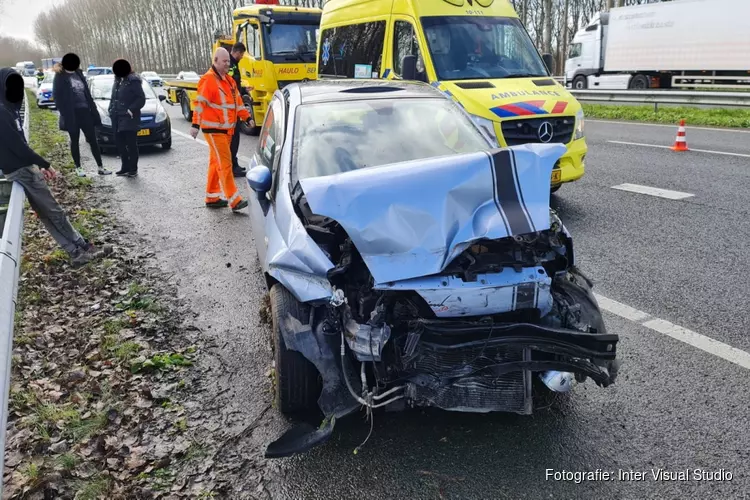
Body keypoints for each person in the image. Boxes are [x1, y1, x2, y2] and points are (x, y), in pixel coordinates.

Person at [0, 67, 110, 267]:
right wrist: (44, 164)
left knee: (46, 214)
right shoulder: (2, 112)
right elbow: (17, 146)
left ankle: (77, 251)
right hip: (22, 170)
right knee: (54, 211)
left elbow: (20, 144)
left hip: (21, 168)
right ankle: (81, 246)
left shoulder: (9, 109)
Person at [190, 47, 251, 212]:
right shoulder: (208, 80)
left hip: (227, 131)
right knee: (225, 164)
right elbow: (200, 104)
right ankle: (234, 200)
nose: (227, 64)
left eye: (228, 61)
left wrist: (248, 118)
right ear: (215, 61)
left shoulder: (229, 81)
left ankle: (212, 197)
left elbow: (238, 103)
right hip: (213, 130)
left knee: (215, 163)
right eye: (224, 61)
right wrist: (195, 125)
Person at [53, 53, 110, 177]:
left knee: (93, 140)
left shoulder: (78, 73)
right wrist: (65, 113)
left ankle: (100, 167)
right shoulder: (60, 76)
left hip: (85, 112)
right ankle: (78, 168)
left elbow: (87, 93)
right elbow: (57, 97)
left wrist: (93, 111)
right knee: (75, 141)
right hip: (72, 114)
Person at [109, 59, 146, 177]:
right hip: (116, 116)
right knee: (119, 143)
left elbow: (141, 98)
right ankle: (124, 166)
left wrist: (131, 109)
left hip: (129, 116)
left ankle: (133, 168)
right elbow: (114, 97)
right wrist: (110, 109)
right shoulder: (118, 80)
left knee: (131, 144)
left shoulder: (133, 80)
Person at [228, 42, 255, 177]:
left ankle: (234, 164)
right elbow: (229, 85)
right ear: (237, 52)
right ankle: (232, 167)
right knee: (233, 139)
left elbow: (234, 85)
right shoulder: (229, 65)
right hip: (231, 108)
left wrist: (244, 89)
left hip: (234, 105)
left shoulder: (233, 64)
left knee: (235, 138)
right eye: (242, 54)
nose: (242, 57)